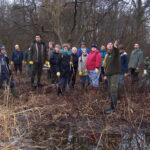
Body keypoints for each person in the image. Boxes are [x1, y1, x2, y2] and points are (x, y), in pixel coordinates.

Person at [103, 40, 120, 114]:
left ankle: (113, 108)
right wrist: (105, 74)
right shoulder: (107, 54)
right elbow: (106, 66)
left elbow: (116, 52)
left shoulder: (114, 53)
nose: (110, 45)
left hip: (115, 74)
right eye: (108, 44)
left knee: (113, 90)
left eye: (111, 44)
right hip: (109, 75)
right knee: (110, 90)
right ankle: (111, 106)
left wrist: (116, 47)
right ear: (106, 46)